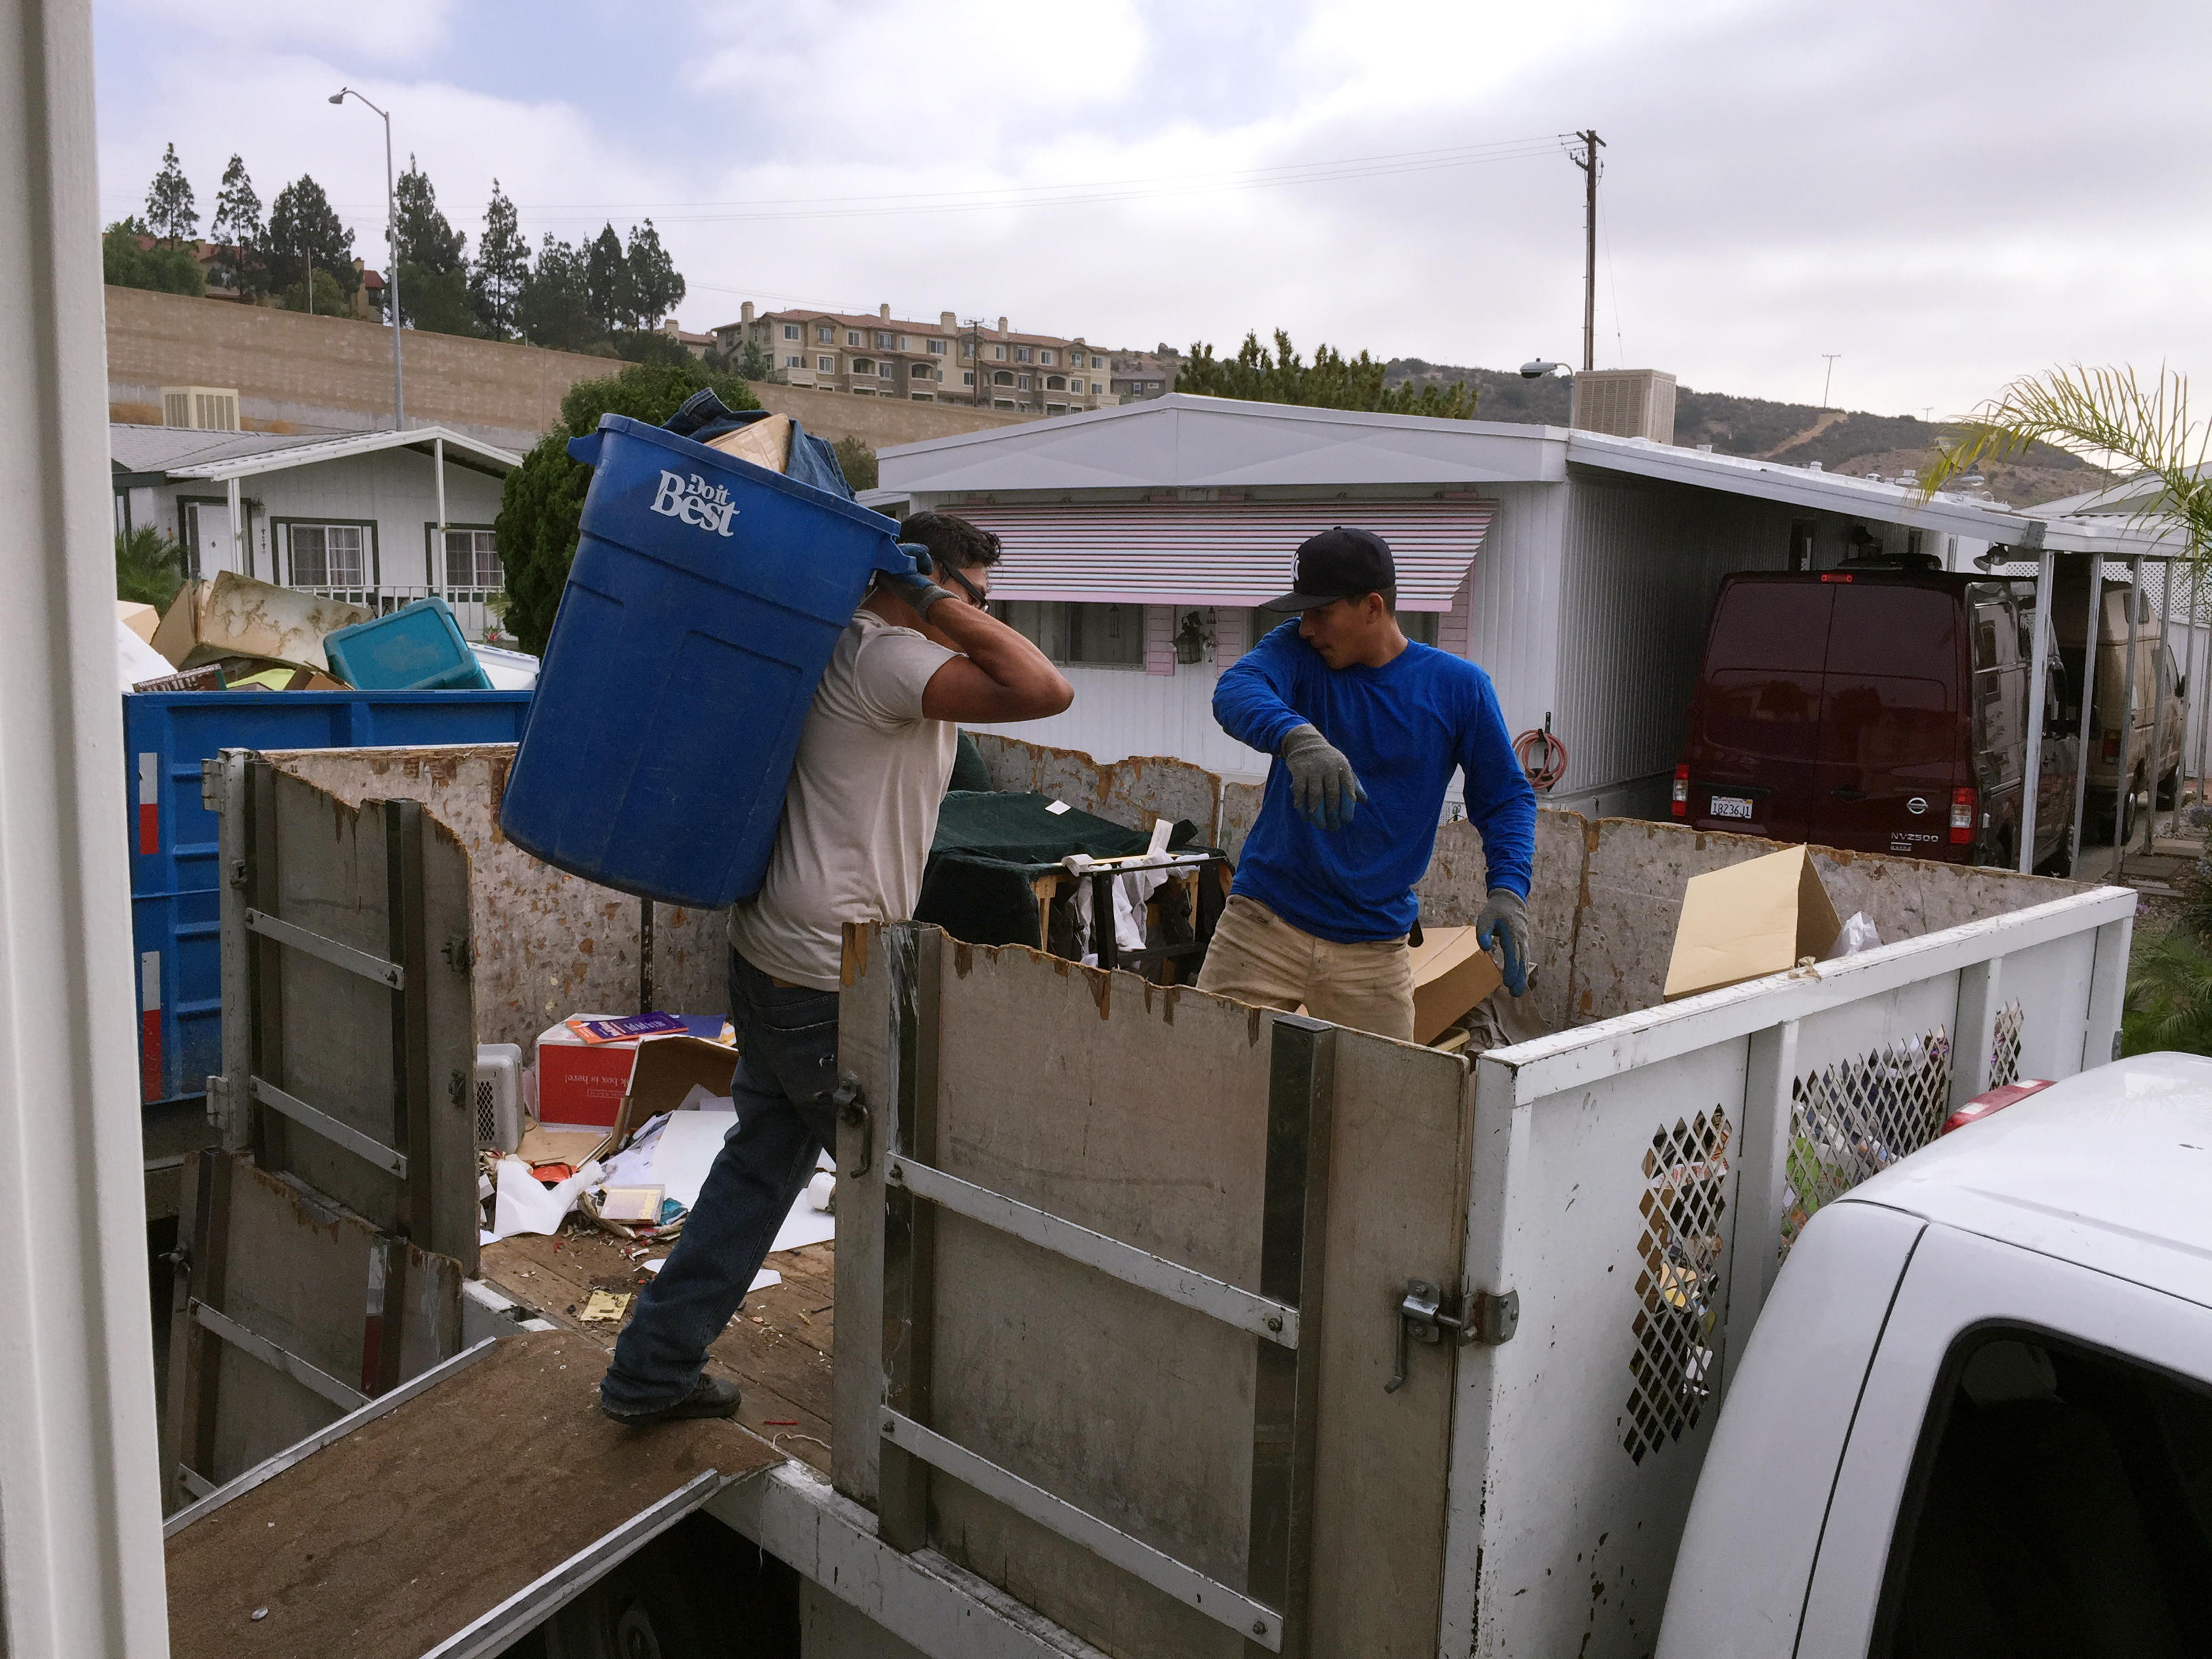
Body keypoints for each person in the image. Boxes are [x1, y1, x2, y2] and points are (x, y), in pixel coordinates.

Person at [600, 511, 1071, 1425]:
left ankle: (650, 1370)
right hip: (825, 971)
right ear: (923, 580)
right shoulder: (886, 655)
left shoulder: (838, 646)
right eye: (975, 595)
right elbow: (1042, 687)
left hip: (771, 947)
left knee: (760, 1172)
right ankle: (941, 1405)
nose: (984, 613)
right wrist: (927, 599)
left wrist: (925, 599)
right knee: (915, 1181)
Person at [1198, 526, 1536, 1041]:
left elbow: (1505, 798)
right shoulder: (1295, 651)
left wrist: (1508, 890)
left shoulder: (1458, 689)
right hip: (1261, 927)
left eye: (1320, 612)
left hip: (1373, 950)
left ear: (1372, 608)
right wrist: (1297, 737)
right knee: (1207, 1079)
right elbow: (1236, 690)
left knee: (1377, 1110)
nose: (1306, 627)